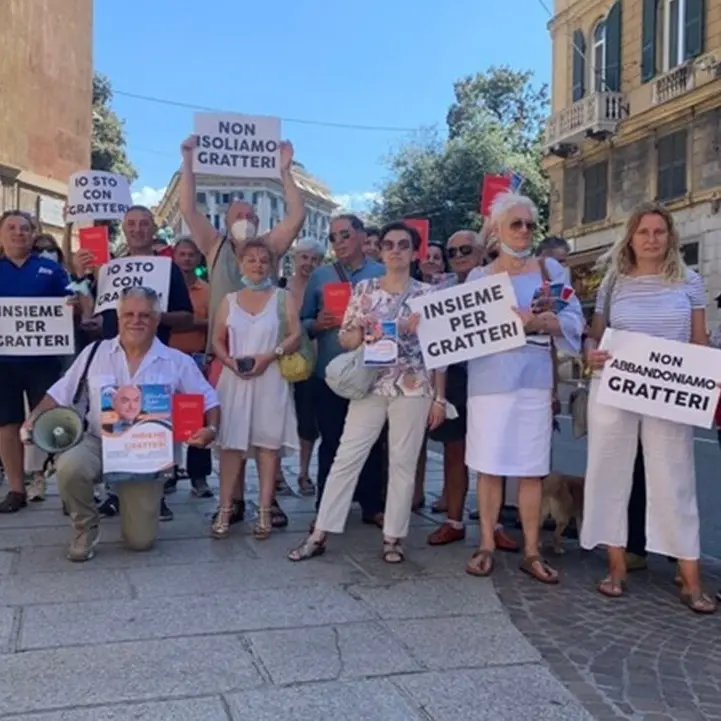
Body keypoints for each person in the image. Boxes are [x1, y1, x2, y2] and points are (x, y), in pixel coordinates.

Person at [582, 202, 715, 613]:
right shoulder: (613, 282)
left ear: (670, 237)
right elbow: (595, 338)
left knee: (675, 479)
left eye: (660, 232)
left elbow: (699, 343)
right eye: (644, 232)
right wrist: (591, 354)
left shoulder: (689, 281)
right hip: (614, 389)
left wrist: (705, 382)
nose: (652, 239)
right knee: (609, 473)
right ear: (632, 237)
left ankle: (691, 579)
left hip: (668, 391)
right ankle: (616, 567)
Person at [22, 287, 219, 562]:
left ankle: (130, 507)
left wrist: (211, 429)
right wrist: (33, 418)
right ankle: (85, 525)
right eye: (129, 314)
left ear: (157, 319)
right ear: (118, 315)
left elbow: (210, 399)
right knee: (69, 464)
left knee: (140, 543)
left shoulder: (176, 361)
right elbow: (58, 393)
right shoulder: (94, 352)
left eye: (145, 315)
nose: (136, 320)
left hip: (145, 456)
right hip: (96, 442)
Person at [290, 222, 445, 563]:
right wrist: (360, 330)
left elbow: (440, 353)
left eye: (403, 244)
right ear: (381, 249)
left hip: (413, 384)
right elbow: (345, 340)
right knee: (347, 456)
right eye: (389, 244)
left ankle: (393, 537)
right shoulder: (365, 289)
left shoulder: (428, 295)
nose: (395, 250)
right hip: (370, 383)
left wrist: (440, 397)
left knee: (402, 462)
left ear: (414, 252)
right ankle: (321, 532)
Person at [178, 135, 305, 528]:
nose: (244, 220)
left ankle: (269, 502)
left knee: (266, 429)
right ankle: (230, 501)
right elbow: (186, 207)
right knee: (229, 432)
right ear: (227, 219)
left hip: (267, 351)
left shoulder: (267, 248)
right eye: (238, 214)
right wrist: (188, 162)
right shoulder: (214, 246)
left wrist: (285, 172)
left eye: (250, 214)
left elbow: (297, 216)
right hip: (225, 355)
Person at [464, 193, 584, 583]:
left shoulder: (550, 270)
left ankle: (531, 550)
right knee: (488, 467)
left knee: (531, 469)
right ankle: (486, 543)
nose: (524, 231)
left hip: (533, 379)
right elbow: (459, 329)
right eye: (515, 223)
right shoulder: (478, 278)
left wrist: (537, 324)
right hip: (488, 381)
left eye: (530, 224)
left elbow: (573, 321)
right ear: (497, 229)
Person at [72, 206, 194, 522]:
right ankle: (114, 493)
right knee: (117, 423)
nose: (138, 229)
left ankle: (158, 491)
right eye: (131, 224)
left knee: (155, 426)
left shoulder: (168, 269)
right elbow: (98, 312)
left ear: (153, 228)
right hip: (114, 357)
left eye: (144, 224)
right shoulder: (108, 268)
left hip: (155, 359)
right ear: (124, 229)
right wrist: (88, 316)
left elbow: (187, 316)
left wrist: (152, 316)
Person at [300, 214, 387, 527]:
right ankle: (326, 507)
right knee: (332, 441)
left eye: (345, 235)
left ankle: (371, 505)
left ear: (362, 236)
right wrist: (317, 323)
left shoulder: (382, 272)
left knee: (373, 442)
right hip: (331, 375)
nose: (339, 242)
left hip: (373, 372)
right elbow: (303, 321)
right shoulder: (321, 276)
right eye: (333, 237)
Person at [211, 239, 301, 540]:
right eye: (251, 259)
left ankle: (264, 509)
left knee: (267, 446)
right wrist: (228, 362)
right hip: (236, 379)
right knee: (231, 446)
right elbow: (217, 340)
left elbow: (296, 336)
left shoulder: (282, 297)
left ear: (272, 265)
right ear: (240, 264)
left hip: (271, 376)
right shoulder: (229, 300)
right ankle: (225, 507)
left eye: (264, 259)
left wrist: (271, 355)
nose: (257, 264)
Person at [0, 211, 77, 513]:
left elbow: (74, 299)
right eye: (12, 228)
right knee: (7, 424)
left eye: (25, 228)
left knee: (52, 422)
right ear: (2, 234)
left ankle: (69, 490)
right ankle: (17, 489)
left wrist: (74, 304)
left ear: (33, 234)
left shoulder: (49, 269)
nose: (19, 233)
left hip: (43, 360)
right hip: (3, 362)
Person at [166, 237, 213, 498]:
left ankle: (199, 477)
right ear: (174, 257)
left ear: (197, 259)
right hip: (166, 358)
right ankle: (168, 473)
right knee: (165, 418)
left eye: (190, 255)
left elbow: (213, 322)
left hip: (194, 359)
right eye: (181, 254)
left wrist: (187, 322)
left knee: (197, 418)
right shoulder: (163, 286)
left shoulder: (207, 290)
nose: (186, 260)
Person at [286, 239, 324, 494]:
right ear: (294, 259)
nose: (308, 263)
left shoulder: (324, 288)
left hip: (312, 364)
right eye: (304, 258)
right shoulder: (281, 288)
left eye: (314, 259)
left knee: (308, 421)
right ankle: (276, 474)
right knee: (277, 418)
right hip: (280, 362)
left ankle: (303, 472)